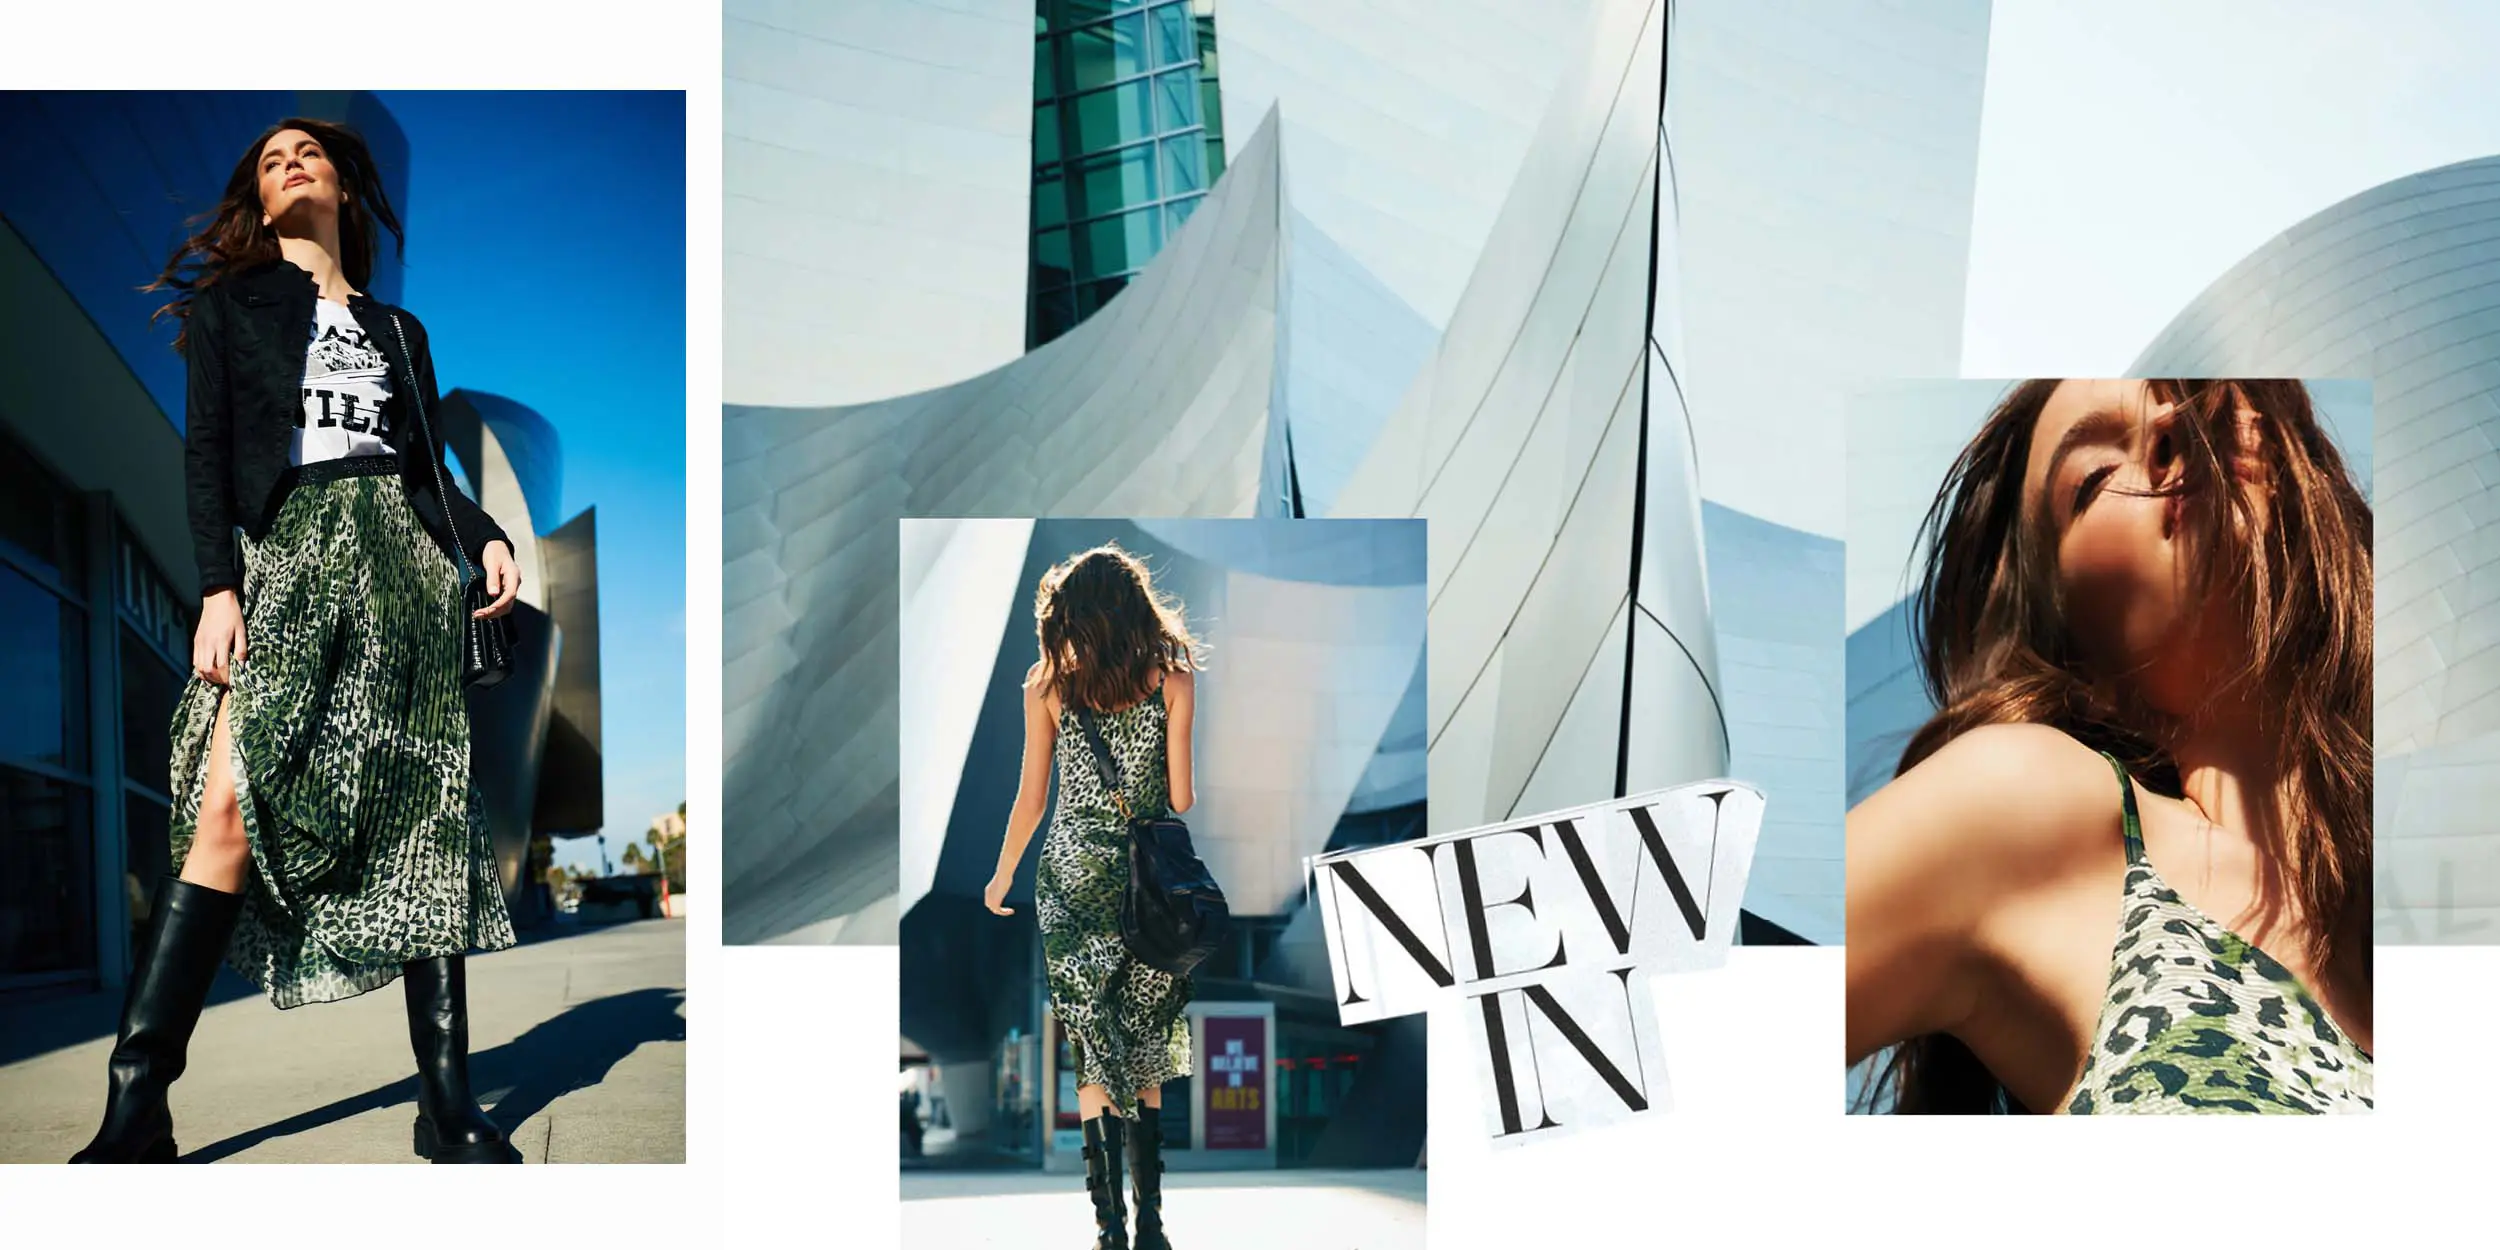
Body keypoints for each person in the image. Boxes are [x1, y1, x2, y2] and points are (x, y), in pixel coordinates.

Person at [71, 118, 526, 1163]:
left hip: (402, 575)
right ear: (261, 200)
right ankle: (137, 1104)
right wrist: (219, 589)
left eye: (306, 153)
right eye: (271, 160)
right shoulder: (230, 309)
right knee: (227, 801)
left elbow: (419, 474)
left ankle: (447, 1100)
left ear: (341, 190)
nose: (289, 163)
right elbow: (209, 459)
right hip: (291, 556)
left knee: (425, 817)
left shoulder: (399, 331)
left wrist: (487, 539)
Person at [1845, 379, 2373, 1114]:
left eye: (2198, 395)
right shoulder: (2029, 809)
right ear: (2071, 653)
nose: (2169, 424)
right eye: (2091, 479)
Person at [985, 543, 1201, 1249]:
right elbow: (1181, 799)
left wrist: (1001, 876)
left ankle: (1107, 1228)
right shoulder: (1171, 679)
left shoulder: (1045, 687)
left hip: (1071, 881)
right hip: (1148, 888)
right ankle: (1153, 1227)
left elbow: (1030, 800)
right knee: (1142, 1048)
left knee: (1093, 1053)